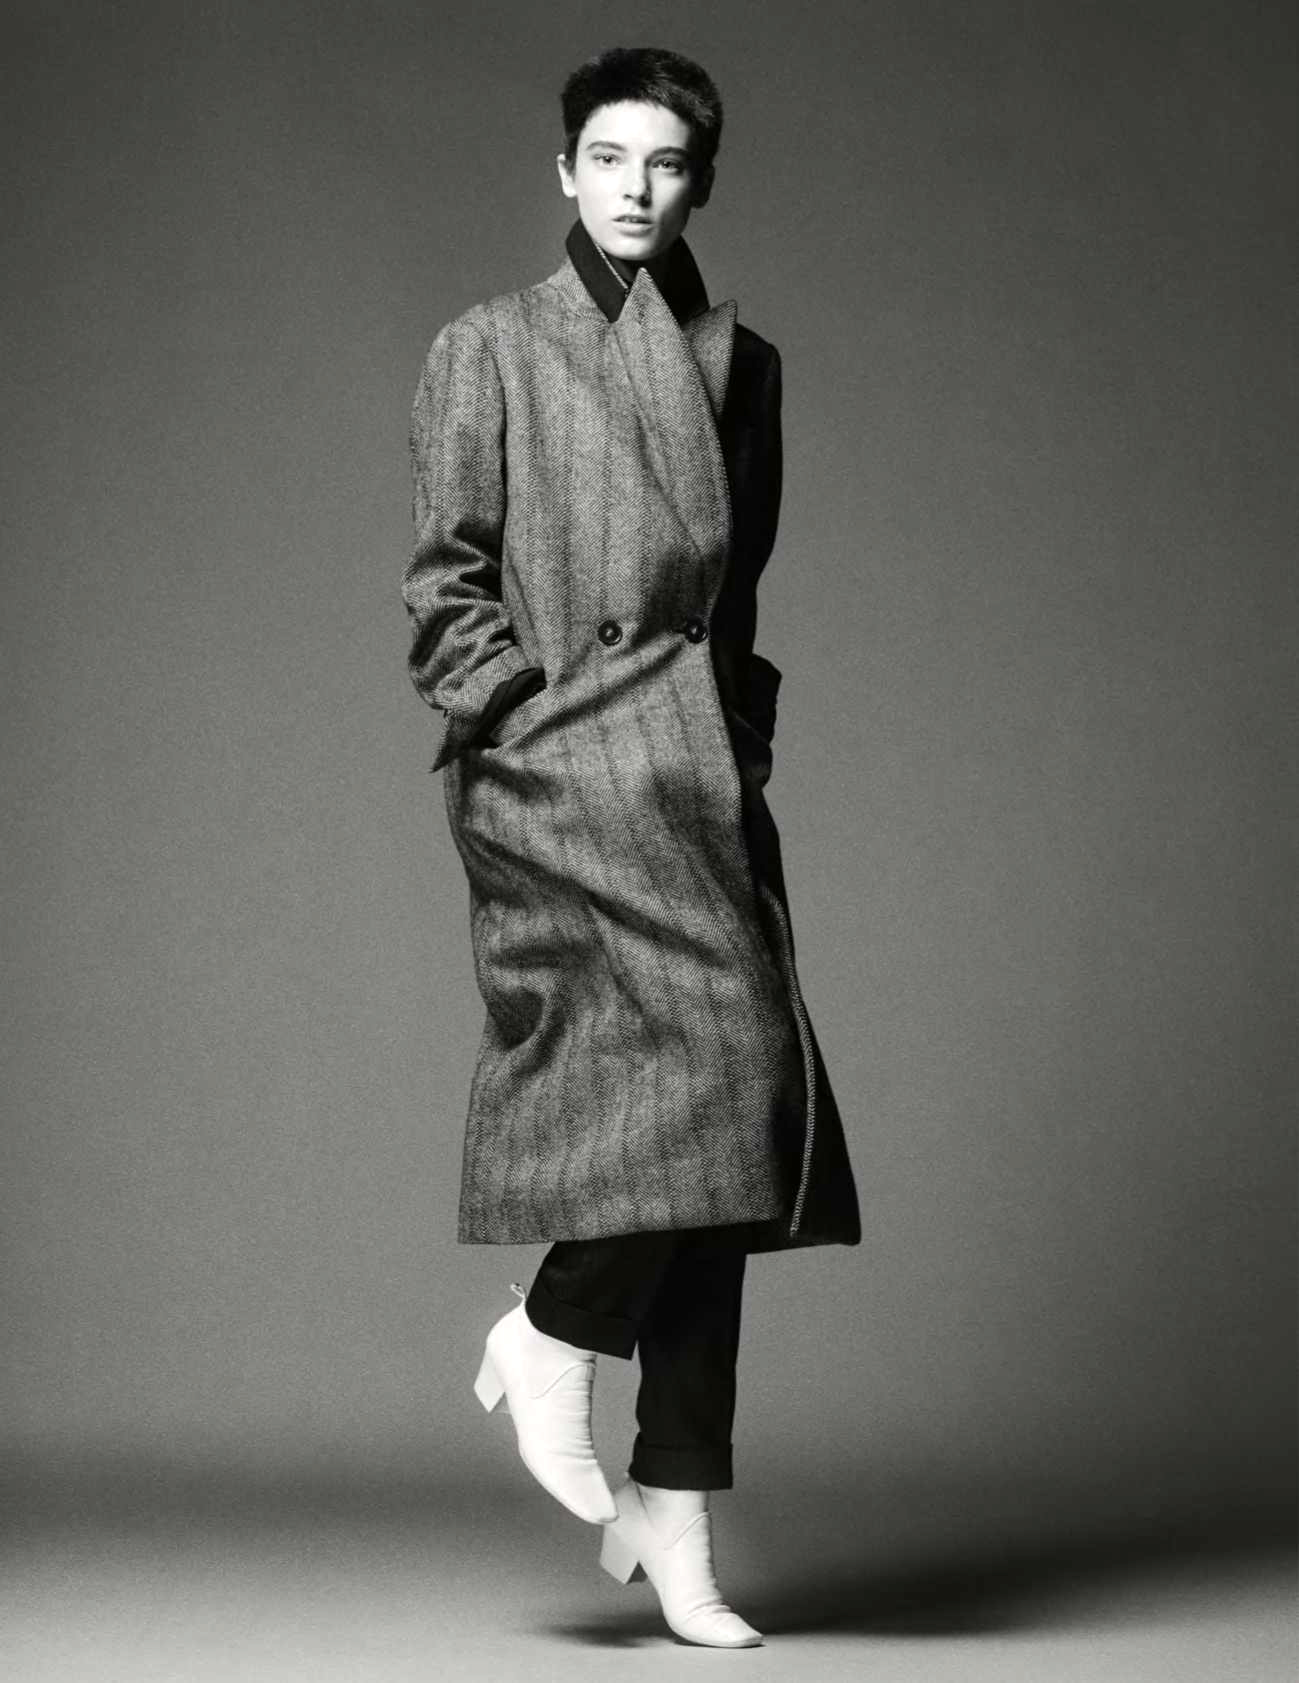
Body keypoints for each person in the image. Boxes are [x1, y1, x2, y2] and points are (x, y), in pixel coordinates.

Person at [402, 45, 861, 1648]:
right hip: (557, 768)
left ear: (697, 181)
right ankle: (549, 1331)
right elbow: (444, 578)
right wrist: (514, 717)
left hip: (689, 771)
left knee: (723, 1130)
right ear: (563, 171)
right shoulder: (489, 345)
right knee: (723, 1077)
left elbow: (738, 598)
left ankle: (675, 1497)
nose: (633, 187)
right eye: (606, 157)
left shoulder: (744, 364)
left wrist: (733, 734)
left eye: (663, 162)